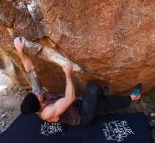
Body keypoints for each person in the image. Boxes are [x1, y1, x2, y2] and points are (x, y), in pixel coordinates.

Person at [14, 37, 142, 125]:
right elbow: (70, 98)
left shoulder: (37, 95)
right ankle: (131, 98)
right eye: (37, 95)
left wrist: (21, 51)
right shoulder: (47, 113)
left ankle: (115, 102)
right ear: (39, 105)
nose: (37, 92)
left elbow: (30, 70)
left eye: (34, 92)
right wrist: (68, 75)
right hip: (81, 116)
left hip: (77, 105)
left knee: (101, 102)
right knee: (92, 88)